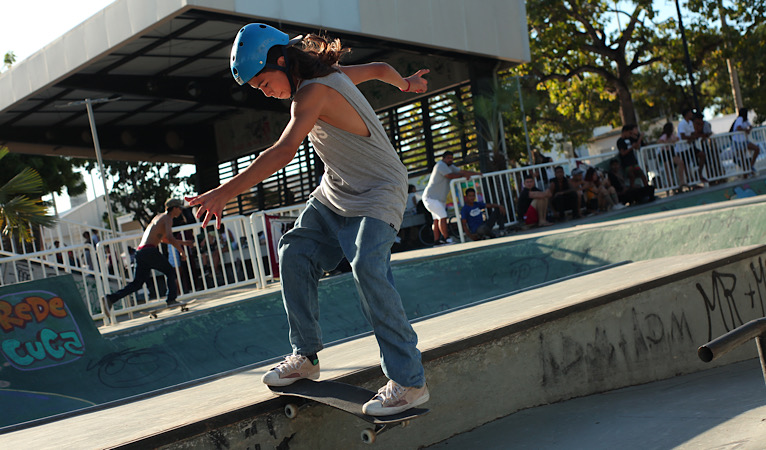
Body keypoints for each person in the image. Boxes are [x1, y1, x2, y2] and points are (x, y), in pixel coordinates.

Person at [185, 24, 430, 416]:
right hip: (335, 191)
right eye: (258, 89)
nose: (265, 92)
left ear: (281, 60)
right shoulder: (331, 75)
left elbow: (283, 151)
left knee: (367, 265)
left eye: (265, 82)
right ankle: (306, 357)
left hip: (379, 189)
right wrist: (406, 83)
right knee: (294, 252)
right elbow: (381, 69)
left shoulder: (313, 91)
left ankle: (409, 381)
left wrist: (225, 192)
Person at [101, 199, 194, 319]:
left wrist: (184, 243)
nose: (181, 211)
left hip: (140, 252)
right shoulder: (168, 218)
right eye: (180, 208)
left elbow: (163, 239)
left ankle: (110, 298)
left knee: (137, 284)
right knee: (170, 271)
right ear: (174, 208)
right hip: (149, 251)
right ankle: (171, 299)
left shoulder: (158, 218)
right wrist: (182, 252)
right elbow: (170, 237)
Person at [422, 151, 480, 245]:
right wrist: (464, 176)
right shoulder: (440, 165)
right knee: (443, 217)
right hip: (430, 198)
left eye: (451, 158)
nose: (450, 160)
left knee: (436, 220)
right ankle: (446, 238)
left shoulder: (450, 166)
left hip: (438, 199)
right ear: (443, 158)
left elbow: (461, 171)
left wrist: (476, 174)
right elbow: (450, 176)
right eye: (448, 158)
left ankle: (437, 241)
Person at [677, 108, 708, 182]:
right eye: (690, 113)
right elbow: (683, 136)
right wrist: (692, 137)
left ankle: (699, 173)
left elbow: (693, 133)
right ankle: (691, 181)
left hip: (689, 146)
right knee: (686, 165)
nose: (692, 114)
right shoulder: (682, 124)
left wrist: (694, 137)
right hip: (682, 148)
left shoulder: (690, 123)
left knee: (702, 155)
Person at [616, 124, 650, 189]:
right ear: (625, 132)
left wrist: (639, 138)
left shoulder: (630, 139)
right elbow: (623, 153)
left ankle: (647, 189)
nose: (630, 134)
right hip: (627, 164)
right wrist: (631, 148)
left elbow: (637, 146)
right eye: (629, 133)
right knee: (631, 176)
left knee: (642, 175)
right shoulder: (620, 141)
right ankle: (633, 190)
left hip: (634, 162)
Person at [730, 108, 761, 175]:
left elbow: (750, 126)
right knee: (742, 158)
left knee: (757, 149)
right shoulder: (740, 119)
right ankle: (747, 171)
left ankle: (750, 166)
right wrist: (746, 130)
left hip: (744, 141)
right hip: (738, 142)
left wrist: (749, 129)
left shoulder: (745, 120)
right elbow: (739, 128)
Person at [657, 122, 687, 188]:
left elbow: (677, 138)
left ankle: (681, 181)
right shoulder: (665, 135)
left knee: (680, 163)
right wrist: (668, 142)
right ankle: (671, 185)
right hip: (665, 153)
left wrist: (674, 140)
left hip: (671, 152)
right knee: (668, 170)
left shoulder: (672, 135)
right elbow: (659, 141)